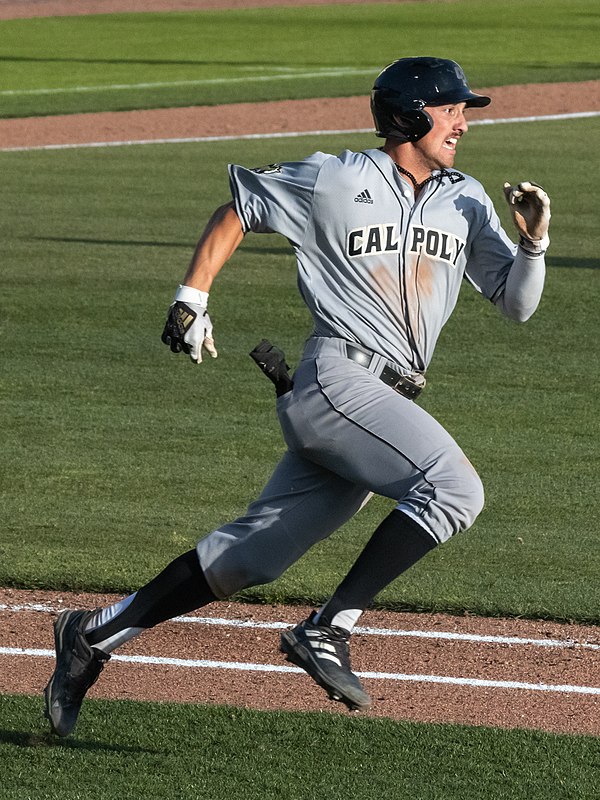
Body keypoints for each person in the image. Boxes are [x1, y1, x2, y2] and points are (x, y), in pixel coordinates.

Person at [43, 57, 551, 736]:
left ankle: (92, 636)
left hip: (383, 402)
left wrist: (535, 243)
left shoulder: (466, 198)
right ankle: (329, 627)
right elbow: (240, 207)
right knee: (455, 488)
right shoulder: (337, 177)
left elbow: (517, 306)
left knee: (251, 557)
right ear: (408, 115)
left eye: (465, 109)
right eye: (452, 107)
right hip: (337, 382)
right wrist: (192, 297)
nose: (464, 120)